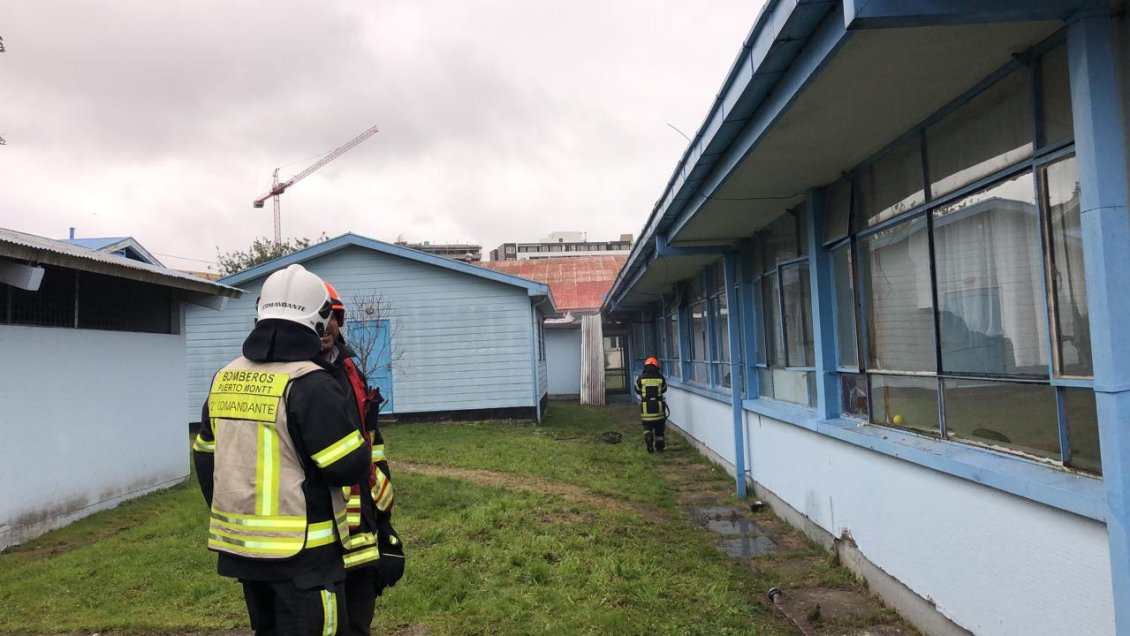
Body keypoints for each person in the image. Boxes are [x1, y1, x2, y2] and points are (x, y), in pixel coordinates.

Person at [192, 264, 371, 636]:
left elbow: (206, 458)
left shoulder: (224, 378)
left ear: (260, 312)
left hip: (244, 552)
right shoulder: (312, 384)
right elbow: (348, 468)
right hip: (306, 557)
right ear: (320, 320)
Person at [320, 281, 405, 636]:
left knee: (358, 615)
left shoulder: (351, 369)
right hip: (318, 525)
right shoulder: (294, 376)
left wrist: (383, 516)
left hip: (362, 517)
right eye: (318, 317)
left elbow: (371, 438)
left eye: (333, 317)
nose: (326, 326)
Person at [634, 356, 669, 453]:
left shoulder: (641, 378)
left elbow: (637, 390)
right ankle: (660, 446)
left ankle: (648, 437)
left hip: (646, 406)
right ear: (657, 366)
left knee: (647, 425)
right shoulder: (660, 378)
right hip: (658, 406)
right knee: (659, 428)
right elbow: (664, 389)